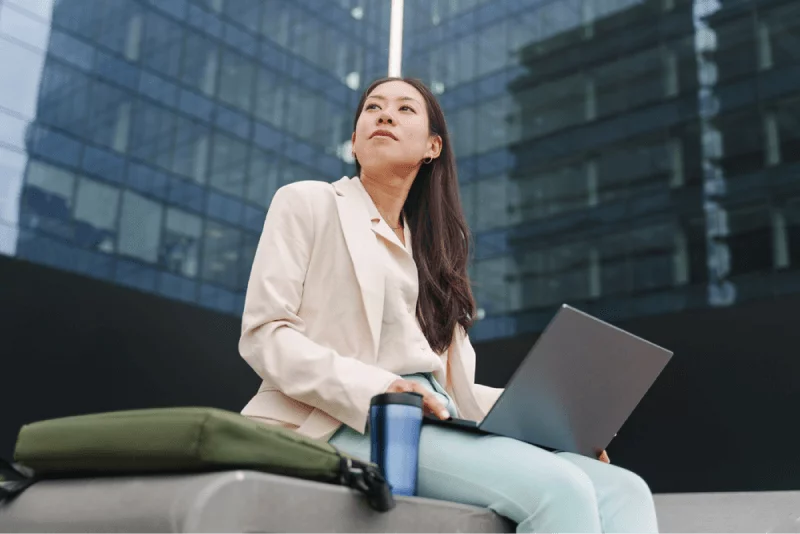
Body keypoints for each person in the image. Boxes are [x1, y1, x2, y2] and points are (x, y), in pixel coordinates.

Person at [239, 76, 659, 533]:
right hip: (344, 419)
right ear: (355, 140)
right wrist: (382, 388)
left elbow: (456, 395)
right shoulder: (308, 202)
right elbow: (267, 335)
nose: (385, 115)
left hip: (435, 420)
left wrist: (562, 427)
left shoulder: (435, 254)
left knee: (624, 488)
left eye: (404, 110)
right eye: (373, 108)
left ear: (432, 147)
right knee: (561, 489)